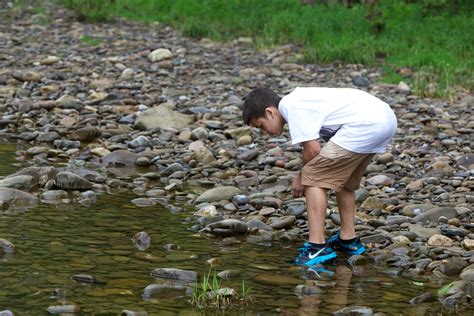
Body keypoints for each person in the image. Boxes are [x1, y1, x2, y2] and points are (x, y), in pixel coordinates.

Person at [242, 87, 397, 266]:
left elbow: (313, 150)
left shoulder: (290, 106)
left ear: (270, 112)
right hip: (384, 120)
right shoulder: (299, 100)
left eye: (260, 126)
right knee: (344, 181)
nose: (264, 132)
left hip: (365, 125)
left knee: (313, 177)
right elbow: (313, 149)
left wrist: (301, 176)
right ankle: (349, 239)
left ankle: (317, 247)